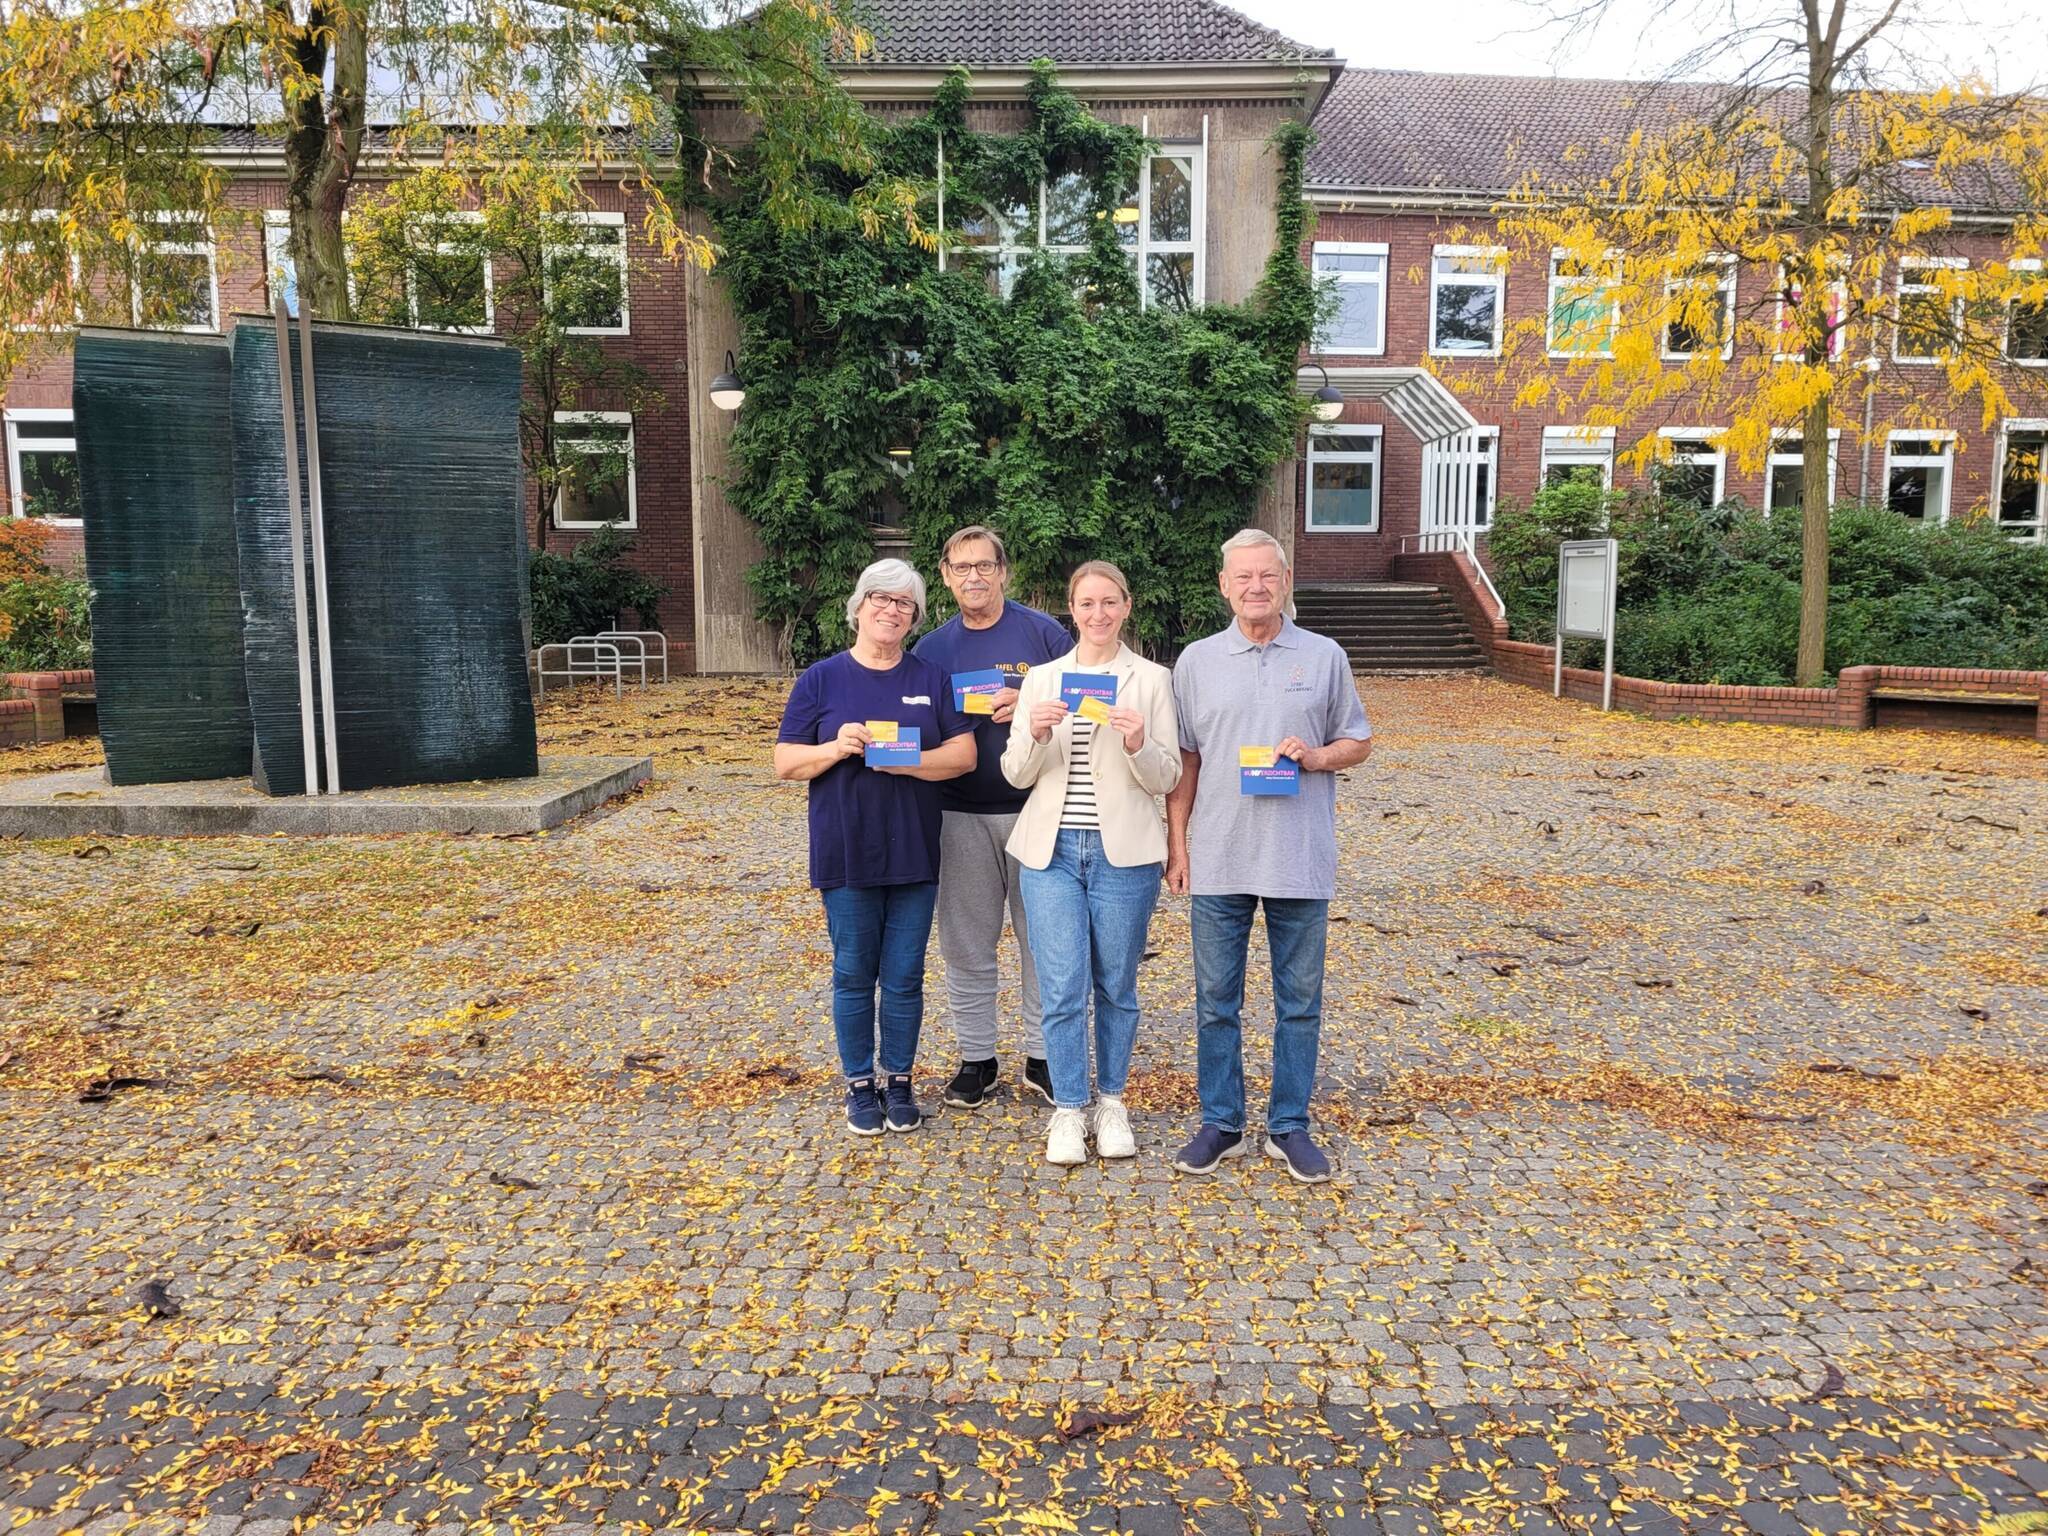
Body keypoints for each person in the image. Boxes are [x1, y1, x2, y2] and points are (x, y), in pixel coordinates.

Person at [1164, 528, 1373, 1184]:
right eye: (1242, 577)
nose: (1255, 587)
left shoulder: (1325, 654)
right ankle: (1221, 1122)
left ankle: (1289, 1126)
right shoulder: (1195, 661)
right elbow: (1187, 760)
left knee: (1299, 1002)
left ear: (1285, 582)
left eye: (1267, 576)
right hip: (1220, 854)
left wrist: (1315, 757)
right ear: (1224, 586)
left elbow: (1358, 739)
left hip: (1298, 856)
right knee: (1215, 1000)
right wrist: (1178, 844)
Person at [774, 559, 978, 1137]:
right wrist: (835, 748)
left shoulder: (929, 678)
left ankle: (899, 1080)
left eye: (904, 604)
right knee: (854, 973)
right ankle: (859, 1084)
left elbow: (963, 757)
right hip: (846, 851)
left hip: (914, 850)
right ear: (858, 607)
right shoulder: (821, 679)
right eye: (881, 600)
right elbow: (785, 763)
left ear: (914, 616)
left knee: (906, 975)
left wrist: (906, 760)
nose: (892, 611)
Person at [1002, 562, 1182, 1166]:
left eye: (1109, 602)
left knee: (1116, 984)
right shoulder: (1043, 680)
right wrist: (1033, 731)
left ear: (1126, 607)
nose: (1098, 614)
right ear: (1070, 610)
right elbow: (1016, 775)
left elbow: (1167, 777)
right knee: (1060, 983)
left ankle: (1112, 1101)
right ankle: (1068, 1107)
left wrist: (1138, 743)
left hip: (1122, 851)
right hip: (1050, 850)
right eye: (1086, 603)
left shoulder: (1151, 679)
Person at [912, 526, 1073, 1110]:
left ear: (1004, 571)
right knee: (966, 944)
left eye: (985, 565)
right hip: (956, 813)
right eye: (962, 567)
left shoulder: (1044, 634)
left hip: (1038, 811)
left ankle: (1042, 1056)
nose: (974, 576)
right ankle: (976, 1058)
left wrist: (1027, 704)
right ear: (946, 575)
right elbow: (920, 729)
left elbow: (1083, 704)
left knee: (1043, 942)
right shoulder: (932, 650)